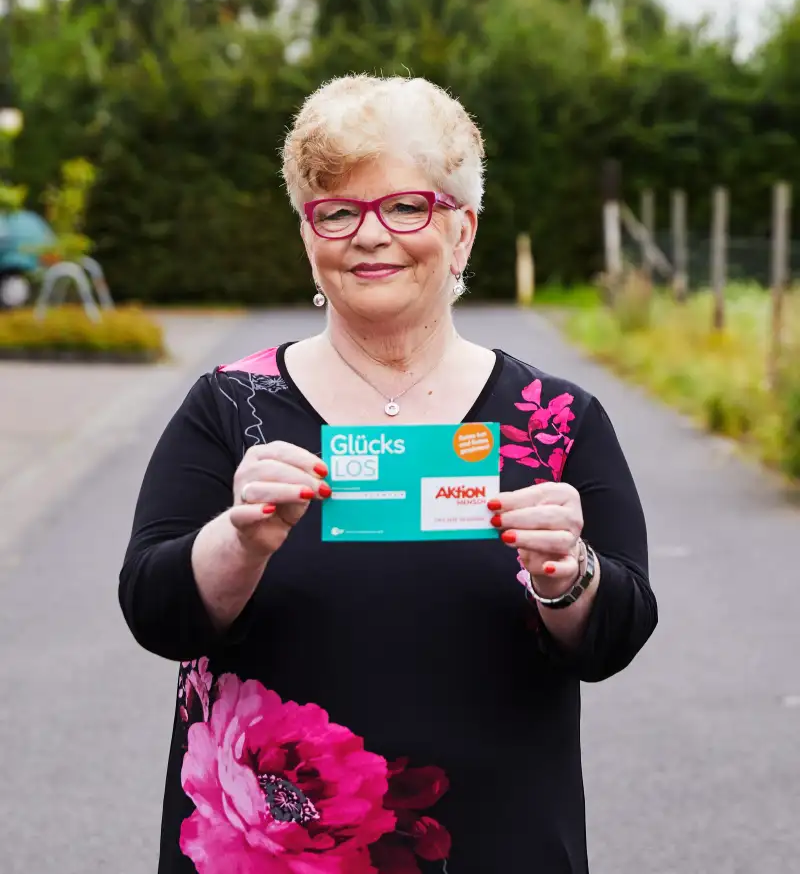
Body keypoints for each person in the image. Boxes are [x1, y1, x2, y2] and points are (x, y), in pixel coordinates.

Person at [119, 74, 657, 874]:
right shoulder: (230, 408)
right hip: (270, 855)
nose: (370, 235)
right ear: (308, 235)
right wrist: (240, 541)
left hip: (495, 846)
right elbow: (154, 611)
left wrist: (567, 577)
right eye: (337, 211)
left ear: (463, 230)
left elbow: (618, 634)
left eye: (406, 207)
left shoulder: (555, 420)